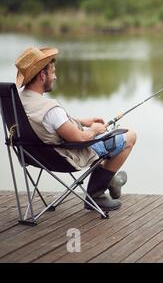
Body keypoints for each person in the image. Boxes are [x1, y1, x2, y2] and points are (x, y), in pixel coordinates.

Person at [15, 47, 137, 211]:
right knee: (130, 136)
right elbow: (80, 139)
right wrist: (94, 129)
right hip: (67, 156)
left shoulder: (19, 102)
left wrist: (82, 121)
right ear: (42, 75)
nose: (55, 77)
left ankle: (112, 181)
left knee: (105, 137)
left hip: (35, 155)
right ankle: (97, 195)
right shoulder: (51, 109)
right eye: (53, 71)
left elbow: (47, 124)